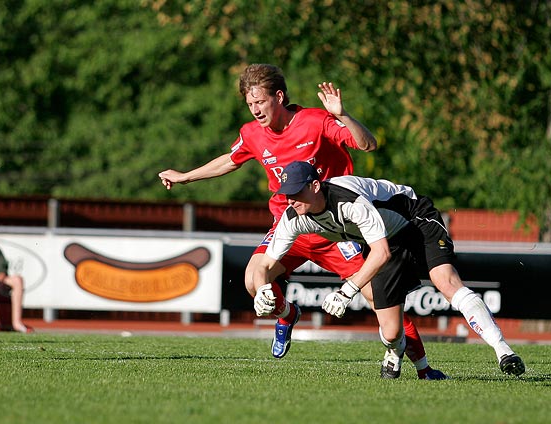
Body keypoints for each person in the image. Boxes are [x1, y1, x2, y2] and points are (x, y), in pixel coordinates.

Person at [159, 63, 446, 379]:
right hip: (291, 225)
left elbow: (366, 144)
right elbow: (231, 160)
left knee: (380, 299)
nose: (255, 110)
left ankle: (424, 368)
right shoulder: (252, 133)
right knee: (254, 278)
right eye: (250, 104)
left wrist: (344, 115)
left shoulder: (314, 121)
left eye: (260, 102)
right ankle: (286, 313)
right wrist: (186, 177)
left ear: (278, 97)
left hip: (335, 228)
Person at [253, 160, 526, 377]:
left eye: (296, 192)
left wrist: (347, 291)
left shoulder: (348, 201)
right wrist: (264, 288)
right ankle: (394, 352)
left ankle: (504, 352)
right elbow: (266, 262)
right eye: (285, 194)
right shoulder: (293, 218)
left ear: (314, 186)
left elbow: (380, 252)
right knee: (392, 331)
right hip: (386, 240)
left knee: (445, 281)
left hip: (417, 221)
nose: (289, 200)